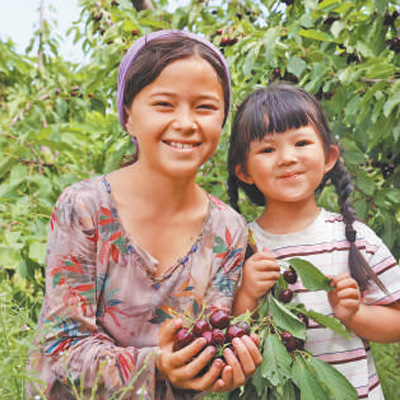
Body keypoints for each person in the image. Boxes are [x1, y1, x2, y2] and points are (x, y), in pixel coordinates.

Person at [27, 30, 263, 400]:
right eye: (164, 104)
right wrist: (156, 364)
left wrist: (221, 363)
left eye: (204, 107)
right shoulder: (85, 208)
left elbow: (206, 341)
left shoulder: (227, 230)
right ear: (128, 117)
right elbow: (61, 347)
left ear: (222, 121)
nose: (186, 122)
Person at [227, 83, 400, 399]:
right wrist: (247, 295)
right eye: (267, 149)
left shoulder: (354, 238)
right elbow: (228, 334)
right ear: (244, 172)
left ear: (329, 157)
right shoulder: (241, 247)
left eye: (301, 142)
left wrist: (355, 315)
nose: (287, 158)